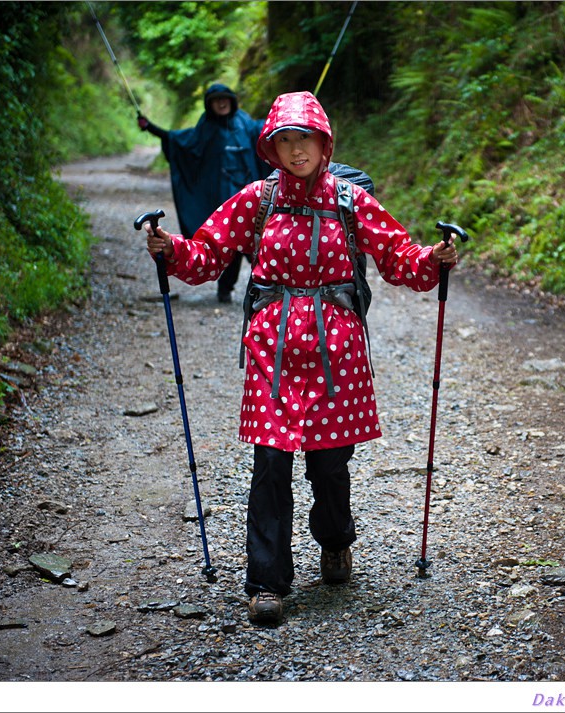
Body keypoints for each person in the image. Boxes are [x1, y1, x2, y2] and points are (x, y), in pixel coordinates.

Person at [141, 90, 459, 626]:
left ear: (323, 143)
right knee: (270, 462)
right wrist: (170, 249)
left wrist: (434, 258)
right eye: (283, 141)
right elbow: (206, 253)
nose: (295, 151)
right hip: (273, 346)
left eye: (304, 139)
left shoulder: (350, 201)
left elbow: (398, 256)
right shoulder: (256, 200)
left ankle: (335, 540)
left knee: (331, 464)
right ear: (270, 148)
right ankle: (268, 581)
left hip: (339, 350)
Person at [138, 83, 269, 303]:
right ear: (210, 104)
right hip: (222, 199)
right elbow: (178, 141)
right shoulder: (205, 130)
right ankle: (225, 289)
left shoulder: (247, 125)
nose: (221, 102)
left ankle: (266, 292)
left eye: (225, 98)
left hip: (253, 199)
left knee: (260, 244)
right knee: (228, 244)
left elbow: (270, 132)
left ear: (232, 100)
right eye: (217, 100)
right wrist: (150, 127)